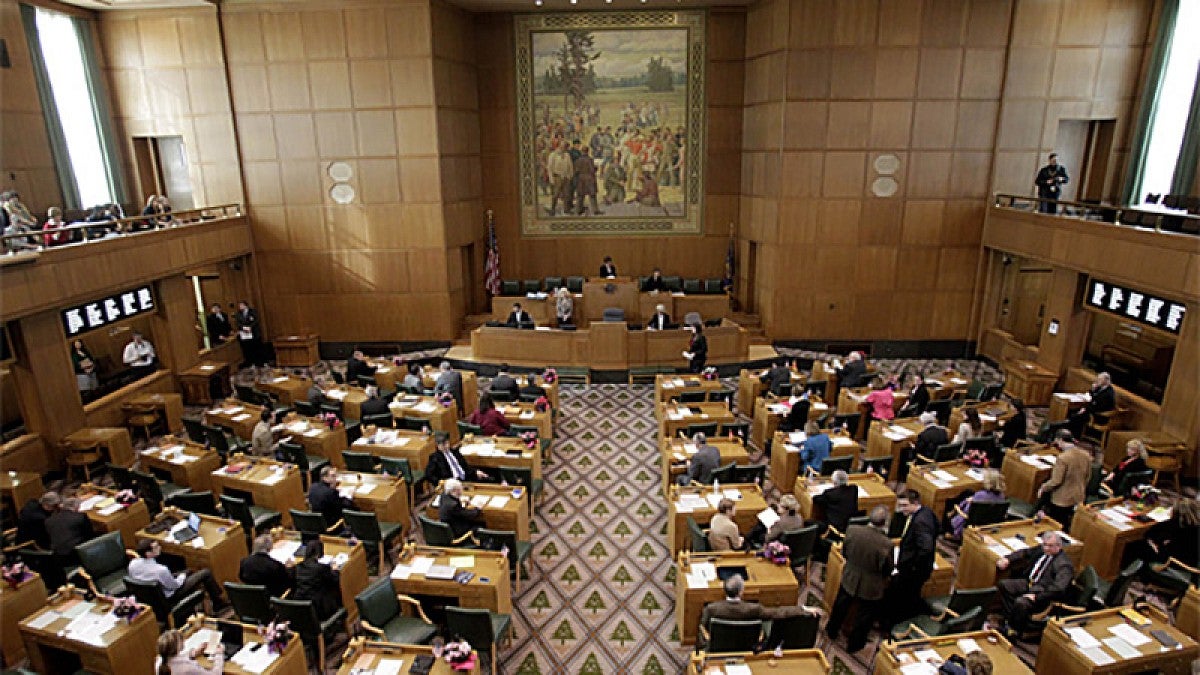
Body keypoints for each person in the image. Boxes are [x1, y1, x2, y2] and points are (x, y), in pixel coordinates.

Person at [825, 506, 893, 653]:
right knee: (864, 618)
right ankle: (854, 645)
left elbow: (845, 552)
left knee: (840, 606)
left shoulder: (852, 530)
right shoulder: (886, 544)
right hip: (871, 586)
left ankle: (831, 630)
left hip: (850, 576)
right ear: (885, 522)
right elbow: (887, 569)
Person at [698, 574, 817, 648]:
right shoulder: (754, 609)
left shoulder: (711, 608)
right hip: (747, 644)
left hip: (719, 644)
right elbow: (778, 612)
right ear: (740, 592)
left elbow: (703, 627)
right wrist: (802, 608)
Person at [996, 531, 1074, 636]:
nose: (1046, 548)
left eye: (1050, 546)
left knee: (1021, 602)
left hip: (1043, 594)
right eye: (1044, 545)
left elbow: (1058, 589)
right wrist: (1008, 559)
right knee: (1004, 585)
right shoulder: (1042, 550)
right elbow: (1025, 553)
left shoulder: (1064, 565)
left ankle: (1015, 630)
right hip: (1030, 583)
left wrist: (1037, 597)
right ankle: (1010, 620)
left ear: (1059, 546)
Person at [884, 490, 939, 629]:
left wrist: (912, 566)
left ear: (915, 503)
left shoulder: (920, 522)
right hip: (916, 565)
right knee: (909, 593)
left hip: (914, 570)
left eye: (905, 505)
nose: (901, 509)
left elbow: (926, 548)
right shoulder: (926, 512)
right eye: (900, 505)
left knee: (901, 595)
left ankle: (897, 623)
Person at [129, 539, 227, 611]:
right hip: (170, 596)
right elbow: (175, 586)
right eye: (156, 547)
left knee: (187, 571)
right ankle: (218, 603)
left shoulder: (132, 564)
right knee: (205, 573)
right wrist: (182, 576)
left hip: (151, 598)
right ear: (148, 553)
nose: (160, 548)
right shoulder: (161, 570)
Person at [1122, 496, 1199, 570]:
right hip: (1192, 561)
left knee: (1134, 545)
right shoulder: (1194, 526)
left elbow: (1150, 533)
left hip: (1174, 562)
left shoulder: (1175, 525)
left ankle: (1122, 573)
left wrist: (1154, 545)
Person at [1036, 430, 1091, 528]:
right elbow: (1088, 476)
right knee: (1067, 524)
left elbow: (1056, 481)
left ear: (1060, 440)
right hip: (1078, 496)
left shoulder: (1063, 458)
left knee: (1055, 525)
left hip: (1062, 499)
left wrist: (1043, 487)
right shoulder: (1086, 455)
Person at [949, 470, 1007, 539]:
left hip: (971, 523)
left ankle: (950, 533)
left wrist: (958, 507)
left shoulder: (980, 494)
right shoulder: (1002, 496)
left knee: (951, 504)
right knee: (968, 492)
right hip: (987, 524)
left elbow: (968, 513)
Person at [293, 540, 342, 620]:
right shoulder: (321, 568)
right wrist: (335, 570)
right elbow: (335, 579)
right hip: (320, 609)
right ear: (318, 554)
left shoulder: (297, 567)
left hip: (302, 607)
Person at [238, 534, 294, 599]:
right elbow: (287, 582)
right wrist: (290, 568)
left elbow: (241, 577)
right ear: (269, 548)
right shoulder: (275, 565)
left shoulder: (244, 561)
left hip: (251, 599)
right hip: (272, 599)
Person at [903, 412, 949, 481]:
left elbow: (917, 450)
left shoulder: (924, 435)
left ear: (923, 423)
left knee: (905, 453)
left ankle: (904, 478)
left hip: (925, 460)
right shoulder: (943, 431)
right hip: (940, 460)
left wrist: (913, 447)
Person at [45, 497, 94, 563]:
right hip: (77, 554)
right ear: (77, 507)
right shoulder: (80, 517)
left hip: (58, 556)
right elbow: (90, 535)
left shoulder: (48, 521)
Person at [156, 628, 224, 675]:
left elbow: (177, 659)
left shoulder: (159, 662)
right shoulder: (186, 668)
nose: (184, 640)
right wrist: (219, 654)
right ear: (176, 648)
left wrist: (194, 653)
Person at [1069, 372, 1116, 438]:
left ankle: (1075, 436)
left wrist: (1085, 409)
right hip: (1094, 411)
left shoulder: (1109, 392)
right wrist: (1093, 390)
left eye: (1100, 379)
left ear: (1106, 380)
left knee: (1076, 416)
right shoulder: (1101, 388)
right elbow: (1093, 399)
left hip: (1100, 416)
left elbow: (1099, 406)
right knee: (1072, 411)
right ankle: (1070, 434)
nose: (1097, 381)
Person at [573, 147, 601, 215]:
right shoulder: (589, 159)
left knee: (580, 196)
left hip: (581, 179)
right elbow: (592, 170)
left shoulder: (578, 160)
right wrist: (596, 168)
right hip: (589, 179)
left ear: (582, 151)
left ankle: (577, 211)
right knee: (592, 196)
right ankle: (595, 210)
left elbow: (576, 171)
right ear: (587, 151)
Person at [235, 301, 264, 367]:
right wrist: (244, 328)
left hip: (254, 333)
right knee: (248, 349)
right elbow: (238, 323)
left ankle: (259, 363)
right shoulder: (238, 314)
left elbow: (256, 320)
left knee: (256, 348)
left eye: (241, 305)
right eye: (239, 306)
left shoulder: (252, 311)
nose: (240, 307)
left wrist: (250, 327)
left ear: (246, 306)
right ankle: (250, 362)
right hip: (245, 334)